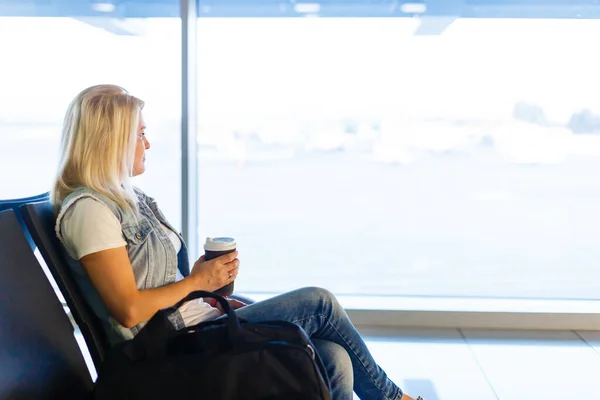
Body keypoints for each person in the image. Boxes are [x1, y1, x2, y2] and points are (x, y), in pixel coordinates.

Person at [51, 84, 423, 400]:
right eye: (139, 134)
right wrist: (197, 283)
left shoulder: (129, 200)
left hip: (194, 323)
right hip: (169, 345)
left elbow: (156, 285)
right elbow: (129, 311)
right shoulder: (90, 210)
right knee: (319, 303)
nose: (148, 142)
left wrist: (208, 290)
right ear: (111, 141)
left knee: (333, 355)